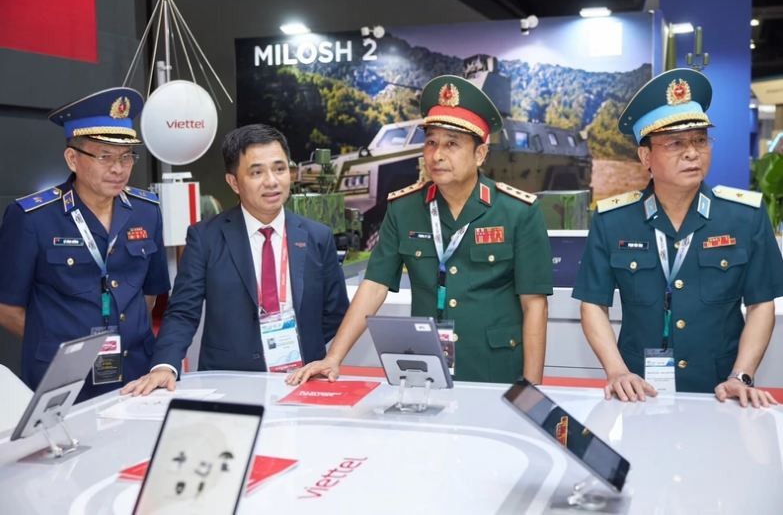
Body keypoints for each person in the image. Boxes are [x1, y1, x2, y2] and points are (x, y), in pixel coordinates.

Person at [287, 75, 553, 386]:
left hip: (495, 370)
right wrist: (334, 358)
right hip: (425, 371)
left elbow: (534, 305)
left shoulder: (518, 212)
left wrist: (532, 388)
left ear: (480, 154)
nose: (437, 155)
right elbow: (374, 285)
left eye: (452, 144)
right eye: (431, 142)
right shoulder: (404, 208)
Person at [572, 68, 783, 407]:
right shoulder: (614, 221)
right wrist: (616, 371)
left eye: (700, 139)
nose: (692, 152)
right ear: (646, 157)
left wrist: (740, 375)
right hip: (639, 393)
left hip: (720, 392)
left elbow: (761, 304)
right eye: (675, 143)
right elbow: (593, 304)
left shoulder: (745, 216)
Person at [121, 124, 349, 395]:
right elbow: (183, 311)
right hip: (228, 382)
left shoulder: (317, 236)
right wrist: (164, 366)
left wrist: (298, 343)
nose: (272, 181)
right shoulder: (205, 237)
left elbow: (334, 312)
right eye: (256, 172)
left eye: (279, 168)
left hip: (302, 380)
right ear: (233, 182)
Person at [0, 87, 170, 401]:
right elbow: (7, 308)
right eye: (105, 157)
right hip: (63, 380)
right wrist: (59, 346)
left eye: (126, 156)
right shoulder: (33, 218)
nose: (118, 169)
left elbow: (149, 295)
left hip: (136, 373)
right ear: (73, 159)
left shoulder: (147, 211)